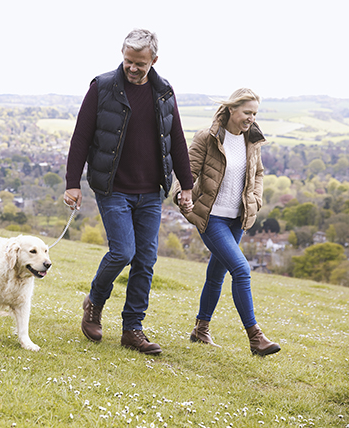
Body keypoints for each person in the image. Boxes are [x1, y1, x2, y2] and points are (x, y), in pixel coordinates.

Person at [63, 28, 194, 354]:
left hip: (150, 190)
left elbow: (176, 140)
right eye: (128, 61)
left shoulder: (164, 92)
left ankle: (132, 329)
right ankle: (94, 302)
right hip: (113, 188)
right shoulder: (103, 86)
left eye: (140, 63)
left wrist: (187, 186)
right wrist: (72, 183)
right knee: (123, 252)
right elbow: (81, 136)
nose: (132, 68)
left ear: (154, 60)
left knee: (146, 259)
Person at [172, 88, 281, 356]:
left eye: (254, 113)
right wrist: (180, 194)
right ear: (232, 110)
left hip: (236, 220)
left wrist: (255, 200)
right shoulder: (207, 138)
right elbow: (187, 171)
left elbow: (258, 174)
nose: (251, 119)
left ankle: (200, 330)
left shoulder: (251, 141)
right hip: (212, 218)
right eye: (247, 112)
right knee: (242, 270)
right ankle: (256, 337)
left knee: (216, 275)